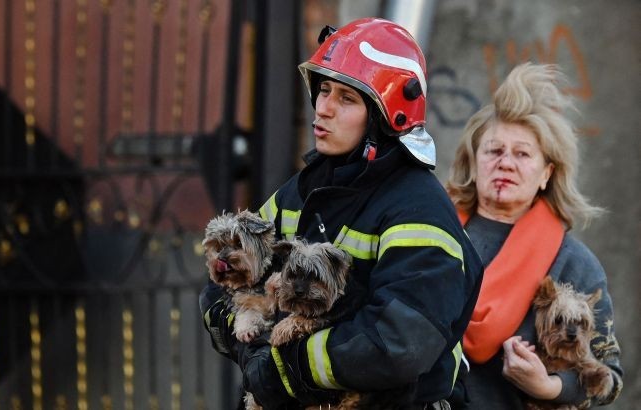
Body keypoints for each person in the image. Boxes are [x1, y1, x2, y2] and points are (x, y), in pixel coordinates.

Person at [200, 18, 483, 409]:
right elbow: (222, 285)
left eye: (347, 99)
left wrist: (287, 368)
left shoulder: (419, 210)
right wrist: (252, 349)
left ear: (387, 118)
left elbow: (399, 344)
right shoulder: (299, 191)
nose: (324, 108)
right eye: (324, 91)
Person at [446, 63, 623, 409]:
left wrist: (548, 387)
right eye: (494, 150)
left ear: (547, 173)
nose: (506, 163)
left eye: (522, 154)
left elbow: (610, 378)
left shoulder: (573, 262)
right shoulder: (436, 236)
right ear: (474, 161)